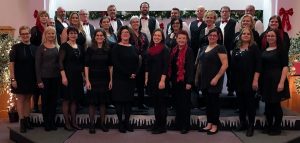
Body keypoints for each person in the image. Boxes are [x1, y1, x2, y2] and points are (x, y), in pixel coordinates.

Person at [231, 28, 261, 137]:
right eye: (244, 33)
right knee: (241, 104)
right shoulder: (236, 48)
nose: (246, 35)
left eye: (248, 34)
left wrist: (255, 80)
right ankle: (242, 123)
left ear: (251, 36)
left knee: (250, 104)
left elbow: (258, 65)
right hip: (238, 81)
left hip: (250, 80)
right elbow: (233, 67)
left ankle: (251, 125)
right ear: (240, 35)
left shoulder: (254, 48)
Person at [198, 28, 228, 135]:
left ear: (218, 37)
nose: (212, 37)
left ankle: (215, 125)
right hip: (205, 80)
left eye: (215, 35)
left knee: (214, 104)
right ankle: (209, 123)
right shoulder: (204, 47)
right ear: (207, 36)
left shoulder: (220, 48)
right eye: (210, 35)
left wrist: (216, 78)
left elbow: (225, 65)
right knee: (208, 104)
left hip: (215, 80)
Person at [260, 29, 290, 135]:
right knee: (268, 105)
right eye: (268, 36)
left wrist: (281, 82)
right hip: (266, 80)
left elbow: (285, 67)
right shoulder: (264, 49)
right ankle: (269, 126)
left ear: (277, 37)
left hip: (277, 79)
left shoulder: (281, 50)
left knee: (276, 105)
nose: (270, 38)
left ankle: (277, 128)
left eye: (272, 36)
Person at [111, 26, 139, 133]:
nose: (125, 34)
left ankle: (127, 122)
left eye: (127, 32)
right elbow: (116, 63)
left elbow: (138, 62)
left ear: (130, 34)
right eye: (123, 32)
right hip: (119, 78)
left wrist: (135, 73)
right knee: (119, 102)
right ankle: (120, 124)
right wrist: (128, 74)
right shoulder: (116, 47)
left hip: (131, 79)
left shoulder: (133, 47)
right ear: (120, 35)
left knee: (128, 102)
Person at [9, 26, 37, 133]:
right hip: (19, 78)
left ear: (30, 34)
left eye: (27, 33)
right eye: (23, 34)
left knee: (28, 99)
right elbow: (11, 64)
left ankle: (27, 119)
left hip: (31, 77)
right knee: (20, 100)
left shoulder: (35, 48)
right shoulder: (15, 47)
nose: (25, 35)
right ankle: (22, 123)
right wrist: (13, 79)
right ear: (20, 35)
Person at [84, 29, 112, 134]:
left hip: (104, 78)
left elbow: (110, 66)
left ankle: (102, 124)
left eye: (101, 35)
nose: (99, 37)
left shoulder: (108, 49)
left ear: (104, 37)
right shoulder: (90, 49)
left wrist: (111, 80)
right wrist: (87, 80)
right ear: (94, 37)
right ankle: (92, 125)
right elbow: (86, 66)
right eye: (97, 35)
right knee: (92, 103)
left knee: (102, 103)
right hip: (93, 78)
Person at [59, 26, 85, 131]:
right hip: (67, 76)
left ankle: (74, 122)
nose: (73, 35)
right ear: (68, 35)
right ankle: (67, 123)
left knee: (74, 100)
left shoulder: (79, 46)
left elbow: (82, 63)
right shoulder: (64, 46)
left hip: (77, 77)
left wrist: (83, 76)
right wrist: (63, 77)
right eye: (71, 33)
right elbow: (60, 63)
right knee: (66, 100)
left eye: (75, 33)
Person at [169, 30, 194, 134]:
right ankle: (178, 123)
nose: (181, 40)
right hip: (175, 81)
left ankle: (185, 126)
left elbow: (191, 68)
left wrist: (189, 82)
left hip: (185, 82)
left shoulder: (189, 51)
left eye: (184, 38)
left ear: (186, 39)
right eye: (180, 38)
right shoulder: (174, 50)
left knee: (185, 104)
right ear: (176, 39)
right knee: (178, 103)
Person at [35, 26, 60, 131]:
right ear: (45, 35)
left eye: (53, 33)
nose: (51, 35)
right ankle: (46, 123)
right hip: (44, 79)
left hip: (55, 78)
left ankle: (52, 122)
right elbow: (37, 65)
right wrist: (39, 80)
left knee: (53, 101)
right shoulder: (41, 47)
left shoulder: (57, 47)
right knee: (45, 102)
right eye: (49, 33)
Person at [145, 29, 169, 134]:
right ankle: (157, 124)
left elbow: (166, 66)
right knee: (155, 104)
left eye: (159, 35)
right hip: (152, 80)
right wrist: (146, 79)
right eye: (155, 35)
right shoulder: (150, 49)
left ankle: (162, 126)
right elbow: (147, 66)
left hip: (161, 80)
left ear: (162, 37)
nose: (156, 37)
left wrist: (162, 80)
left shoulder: (165, 49)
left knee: (161, 104)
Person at [30, 10, 49, 113]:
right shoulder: (35, 29)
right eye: (42, 16)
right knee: (37, 82)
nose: (44, 18)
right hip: (38, 57)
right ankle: (36, 106)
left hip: (48, 58)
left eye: (46, 16)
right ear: (38, 18)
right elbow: (32, 44)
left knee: (46, 82)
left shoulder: (50, 29)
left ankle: (45, 104)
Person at [129, 16, 149, 109]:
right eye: (134, 22)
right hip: (131, 63)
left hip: (142, 63)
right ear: (131, 24)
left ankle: (141, 104)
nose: (136, 23)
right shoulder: (128, 34)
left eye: (137, 21)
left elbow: (146, 47)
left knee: (141, 85)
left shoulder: (143, 35)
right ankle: (130, 104)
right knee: (131, 85)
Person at [216, 6, 237, 96]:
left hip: (229, 50)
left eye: (226, 11)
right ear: (220, 13)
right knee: (217, 69)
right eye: (222, 11)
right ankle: (217, 89)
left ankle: (231, 89)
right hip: (218, 51)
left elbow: (236, 37)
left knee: (229, 70)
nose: (224, 13)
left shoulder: (234, 23)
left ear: (229, 12)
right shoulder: (216, 23)